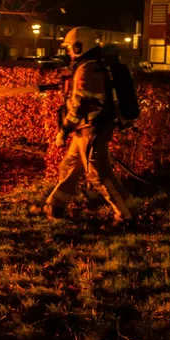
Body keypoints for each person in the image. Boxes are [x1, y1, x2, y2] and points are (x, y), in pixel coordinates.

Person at [45, 27, 135, 227]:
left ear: (79, 46)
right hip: (87, 128)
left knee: (97, 173)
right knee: (70, 166)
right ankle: (55, 205)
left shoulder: (88, 68)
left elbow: (80, 104)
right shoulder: (91, 65)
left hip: (92, 128)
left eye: (70, 47)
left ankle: (125, 215)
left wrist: (64, 129)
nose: (68, 51)